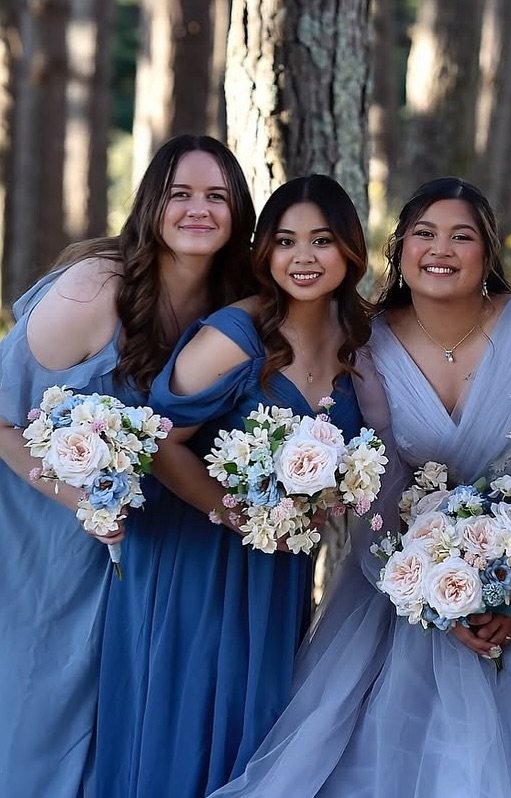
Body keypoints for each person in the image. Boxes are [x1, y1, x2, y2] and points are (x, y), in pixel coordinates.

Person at [209, 177, 511, 798]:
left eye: (462, 235)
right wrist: (422, 586)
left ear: (488, 252)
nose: (440, 248)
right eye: (423, 234)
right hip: (405, 585)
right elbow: (382, 479)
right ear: (399, 250)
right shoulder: (367, 340)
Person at [94, 174, 371, 798]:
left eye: (321, 241)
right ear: (264, 252)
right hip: (192, 555)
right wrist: (233, 510)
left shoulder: (360, 340)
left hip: (278, 569)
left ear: (349, 250)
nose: (302, 258)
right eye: (285, 241)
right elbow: (157, 442)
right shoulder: (234, 334)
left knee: (254, 722)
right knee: (184, 718)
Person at [0, 133, 255, 798]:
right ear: (151, 207)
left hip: (142, 544)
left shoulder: (228, 306)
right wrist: (77, 499)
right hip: (40, 523)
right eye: (180, 195)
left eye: (216, 197)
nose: (198, 210)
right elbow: (0, 417)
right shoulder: (93, 291)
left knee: (111, 712)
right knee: (41, 700)